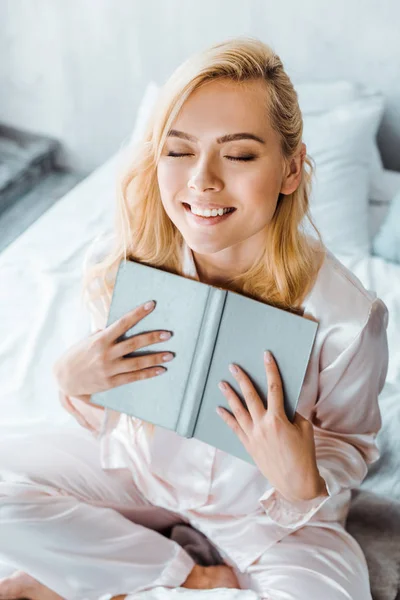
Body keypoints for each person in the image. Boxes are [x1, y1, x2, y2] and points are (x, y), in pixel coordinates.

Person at [0, 36, 389, 600]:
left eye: (238, 154)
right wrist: (74, 385)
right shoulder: (120, 265)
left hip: (272, 525)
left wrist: (300, 475)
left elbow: (350, 446)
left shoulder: (349, 317)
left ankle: (87, 585)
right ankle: (184, 578)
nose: (202, 179)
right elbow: (111, 417)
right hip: (143, 479)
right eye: (179, 150)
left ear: (291, 168)